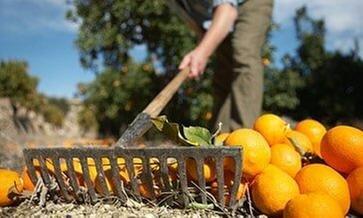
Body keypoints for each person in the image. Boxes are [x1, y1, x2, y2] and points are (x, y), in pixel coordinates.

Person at [170, 0, 273, 131]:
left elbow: (227, 11)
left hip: (249, 3)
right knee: (223, 74)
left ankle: (244, 134)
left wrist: (202, 51)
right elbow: (195, 20)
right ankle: (220, 136)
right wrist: (203, 48)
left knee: (243, 52)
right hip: (217, 14)